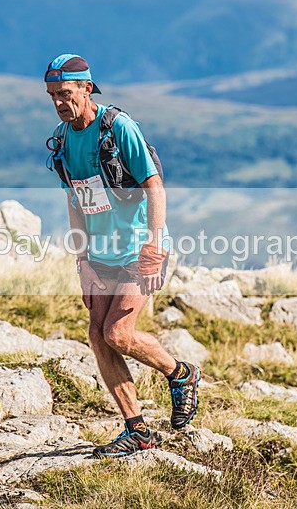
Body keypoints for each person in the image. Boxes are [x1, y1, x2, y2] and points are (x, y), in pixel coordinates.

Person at [44, 54, 200, 457]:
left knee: (119, 334)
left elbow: (154, 185)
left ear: (86, 88)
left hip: (138, 249)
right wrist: (81, 262)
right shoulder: (62, 141)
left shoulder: (117, 128)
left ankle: (180, 373)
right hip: (99, 255)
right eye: (52, 95)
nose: (60, 102)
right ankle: (138, 430)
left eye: (65, 93)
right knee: (97, 335)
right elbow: (76, 205)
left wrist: (155, 245)